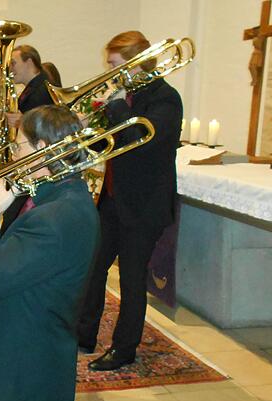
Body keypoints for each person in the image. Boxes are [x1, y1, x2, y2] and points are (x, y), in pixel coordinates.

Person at [0, 105, 99, 401]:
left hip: (21, 374)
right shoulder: (60, 198)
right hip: (28, 360)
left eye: (18, 145)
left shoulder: (55, 217)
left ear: (43, 150)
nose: (13, 153)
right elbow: (15, 261)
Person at [77, 31, 183, 371]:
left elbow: (141, 140)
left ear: (135, 62)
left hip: (144, 206)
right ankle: (83, 335)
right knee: (94, 269)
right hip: (113, 199)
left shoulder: (166, 99)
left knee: (131, 280)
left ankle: (124, 349)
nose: (109, 71)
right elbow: (109, 144)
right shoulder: (126, 96)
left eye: (114, 64)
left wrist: (117, 105)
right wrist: (82, 136)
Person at [0, 45, 56, 233]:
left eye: (14, 63)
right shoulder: (32, 89)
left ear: (29, 62)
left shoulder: (42, 89)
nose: (11, 69)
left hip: (37, 166)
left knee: (14, 217)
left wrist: (23, 121)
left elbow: (51, 126)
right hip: (28, 163)